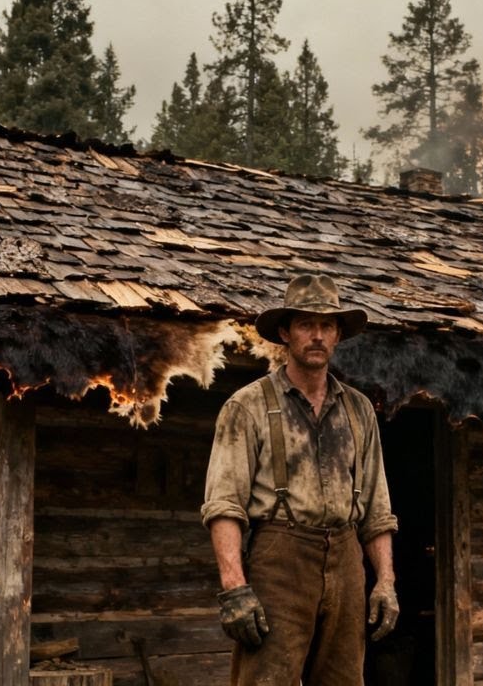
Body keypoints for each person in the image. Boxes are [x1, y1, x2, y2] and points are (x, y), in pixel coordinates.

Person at [201, 273, 399, 685]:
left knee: (343, 679)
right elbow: (224, 504)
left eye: (327, 325)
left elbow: (377, 510)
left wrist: (385, 582)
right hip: (280, 559)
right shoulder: (248, 406)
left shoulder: (359, 410)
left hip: (347, 560)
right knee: (268, 679)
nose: (317, 335)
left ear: (338, 335)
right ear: (285, 332)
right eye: (306, 324)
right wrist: (235, 587)